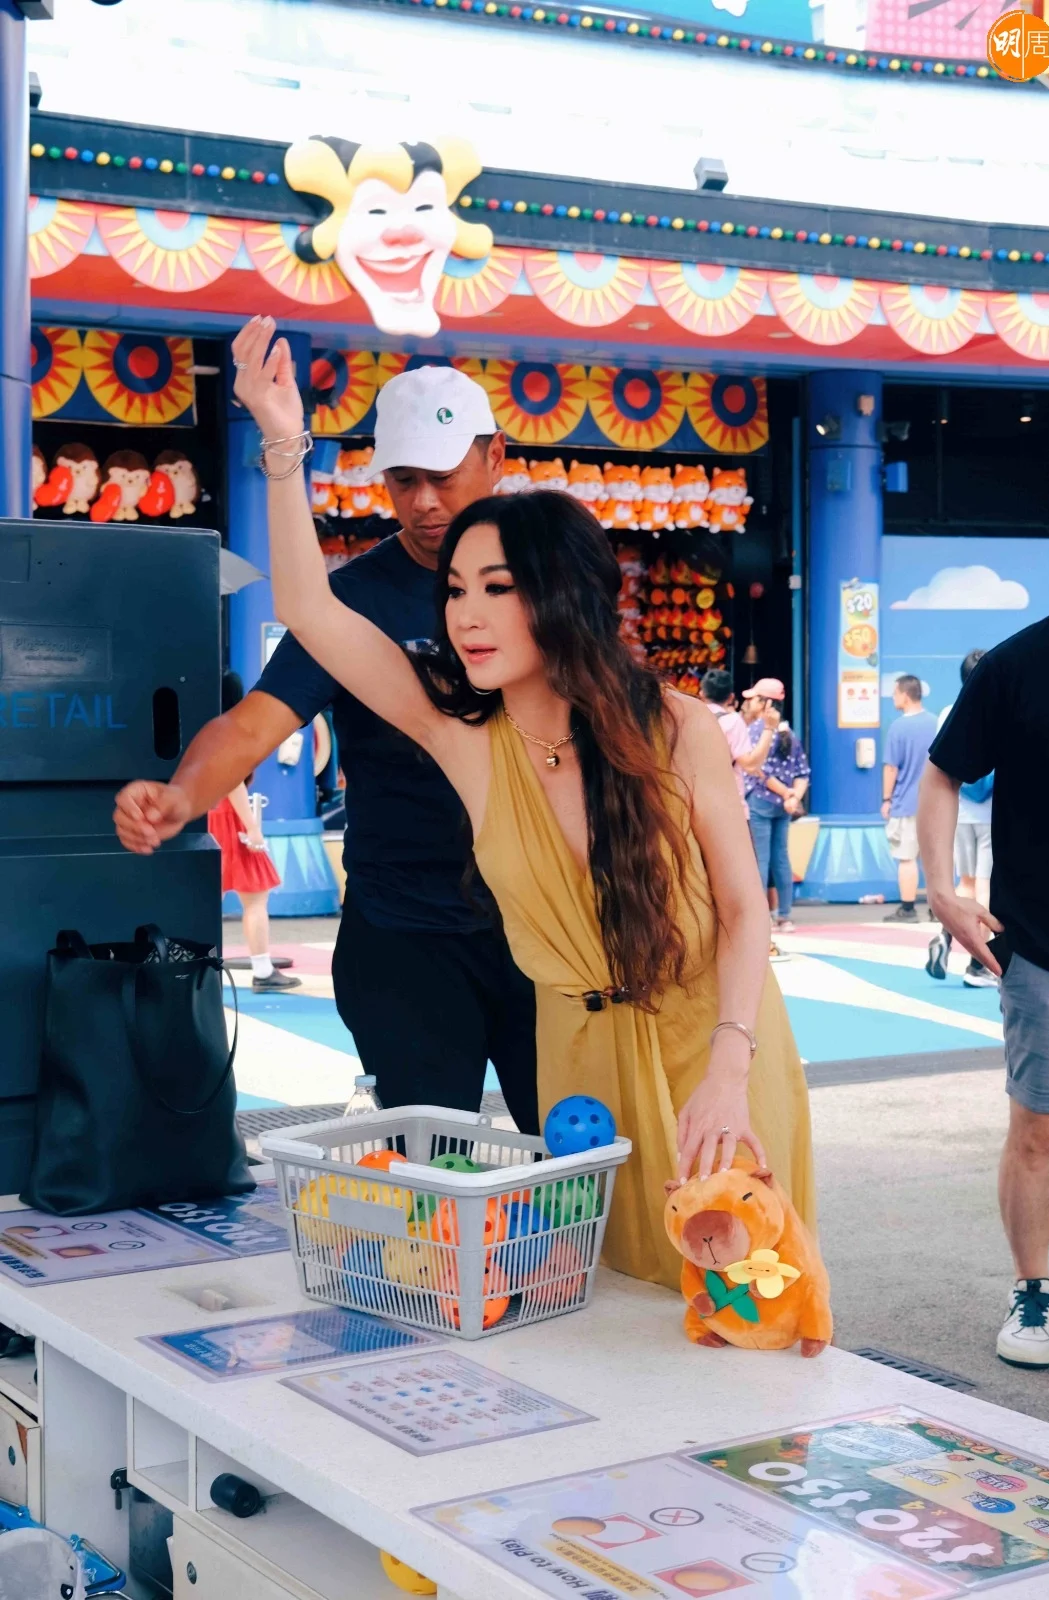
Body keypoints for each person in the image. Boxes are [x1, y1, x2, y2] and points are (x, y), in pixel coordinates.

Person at [224, 316, 819, 1306]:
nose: (464, 614)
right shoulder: (466, 739)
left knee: (744, 1304)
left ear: (559, 598)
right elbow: (315, 613)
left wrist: (728, 1066)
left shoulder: (675, 727)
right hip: (578, 1065)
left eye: (494, 588)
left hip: (714, 1050)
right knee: (597, 1302)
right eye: (455, 590)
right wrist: (284, 446)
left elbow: (741, 908)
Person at [113, 358, 539, 1136]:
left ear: (496, 457)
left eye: (443, 476)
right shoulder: (354, 601)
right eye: (403, 479)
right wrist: (182, 796)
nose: (424, 500)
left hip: (547, 920)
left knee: (581, 1152)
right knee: (431, 1160)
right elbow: (252, 723)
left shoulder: (552, 576)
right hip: (406, 932)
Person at [919, 612, 1049, 1368]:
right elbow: (943, 771)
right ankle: (1031, 1289)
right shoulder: (1021, 663)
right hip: (1042, 944)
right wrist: (941, 890)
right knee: (1041, 1128)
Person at [207, 670, 301, 993]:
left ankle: (199, 966)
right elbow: (233, 781)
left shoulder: (199, 726)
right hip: (230, 818)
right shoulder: (230, 730)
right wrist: (252, 828)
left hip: (206, 815)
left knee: (207, 899)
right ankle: (262, 969)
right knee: (256, 898)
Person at [926, 649, 995, 988]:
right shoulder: (1002, 710)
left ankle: (945, 935)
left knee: (964, 883)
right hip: (991, 814)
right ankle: (977, 964)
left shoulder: (947, 713)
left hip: (958, 811)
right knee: (985, 885)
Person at [743, 684, 810, 937]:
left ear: (766, 703)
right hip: (783, 807)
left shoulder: (756, 731)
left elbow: (757, 771)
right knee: (781, 858)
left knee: (760, 860)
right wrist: (793, 797)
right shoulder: (789, 733)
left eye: (754, 699)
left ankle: (763, 917)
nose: (750, 703)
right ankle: (785, 915)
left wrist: (785, 794)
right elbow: (802, 772)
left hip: (760, 802)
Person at [881, 675, 937, 924]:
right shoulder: (936, 723)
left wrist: (886, 799)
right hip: (935, 803)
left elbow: (891, 768)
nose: (893, 698)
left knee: (907, 858)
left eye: (895, 693)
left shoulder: (898, 727)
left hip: (906, 803)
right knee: (933, 860)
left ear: (905, 695)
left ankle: (907, 909)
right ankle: (937, 911)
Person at [698, 668, 773, 814]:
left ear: (701, 694)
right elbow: (750, 765)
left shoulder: (689, 720)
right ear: (731, 697)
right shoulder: (732, 721)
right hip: (728, 805)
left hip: (697, 805)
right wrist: (769, 728)